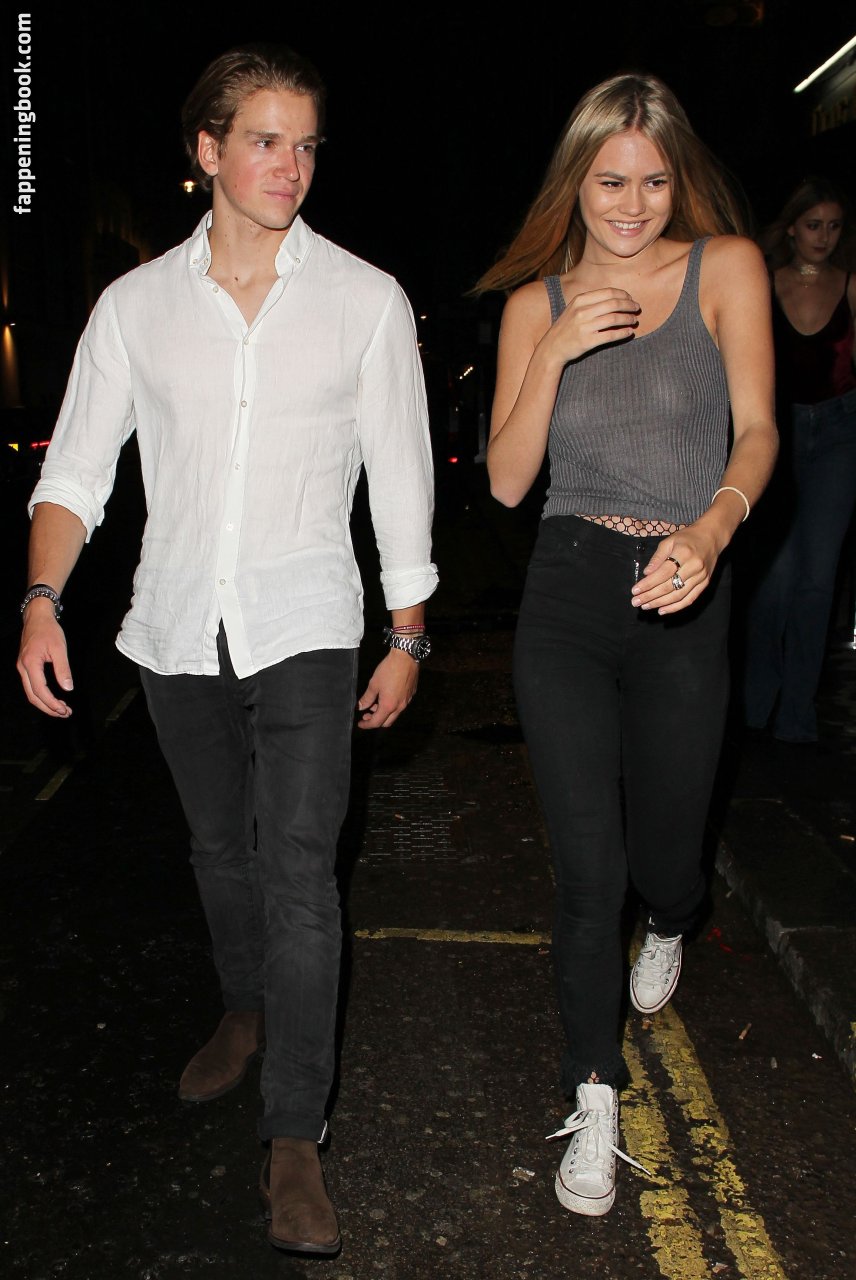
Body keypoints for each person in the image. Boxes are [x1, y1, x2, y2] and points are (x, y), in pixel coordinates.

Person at [16, 43, 437, 1258]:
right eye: (264, 140)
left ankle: (294, 1133)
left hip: (306, 620)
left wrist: (406, 631)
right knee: (218, 848)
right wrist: (41, 599)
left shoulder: (363, 299)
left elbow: (402, 478)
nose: (289, 166)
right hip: (174, 624)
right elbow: (76, 471)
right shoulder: (134, 307)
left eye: (305, 145)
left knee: (300, 870)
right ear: (206, 151)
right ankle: (244, 1006)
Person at [474, 72, 777, 1217]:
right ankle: (592, 1090)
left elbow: (758, 431)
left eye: (653, 181)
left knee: (662, 857)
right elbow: (508, 484)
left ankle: (676, 913)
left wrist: (711, 529)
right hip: (566, 590)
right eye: (610, 181)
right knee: (586, 867)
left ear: (676, 178)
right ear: (576, 180)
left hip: (684, 580)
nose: (633, 204)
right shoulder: (533, 304)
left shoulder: (725, 267)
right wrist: (552, 348)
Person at [741, 177, 856, 743]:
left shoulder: (850, 284)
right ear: (791, 228)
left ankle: (798, 713)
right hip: (777, 433)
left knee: (817, 579)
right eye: (814, 225)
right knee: (777, 578)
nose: (824, 237)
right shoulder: (765, 282)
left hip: (839, 433)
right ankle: (755, 705)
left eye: (833, 226)